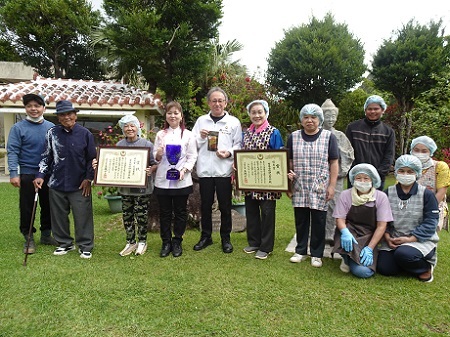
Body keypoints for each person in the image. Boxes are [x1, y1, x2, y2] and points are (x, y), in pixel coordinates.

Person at [34, 100, 97, 259]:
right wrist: (40, 176)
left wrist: (88, 178)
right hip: (56, 183)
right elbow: (46, 157)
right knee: (58, 216)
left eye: (69, 114)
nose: (66, 117)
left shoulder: (85, 134)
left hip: (80, 184)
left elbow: (92, 159)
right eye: (62, 114)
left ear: (75, 115)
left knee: (83, 215)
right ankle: (64, 243)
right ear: (58, 118)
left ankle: (85, 246)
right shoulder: (52, 133)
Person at [287, 103, 339, 267]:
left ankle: (317, 254)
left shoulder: (328, 137)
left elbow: (334, 162)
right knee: (301, 219)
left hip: (319, 185)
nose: (309, 120)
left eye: (313, 117)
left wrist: (332, 186)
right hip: (300, 184)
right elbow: (288, 161)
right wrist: (288, 184)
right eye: (306, 117)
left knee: (319, 220)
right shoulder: (293, 137)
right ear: (301, 120)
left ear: (319, 119)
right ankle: (300, 250)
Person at [192, 87, 242, 253]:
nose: (217, 104)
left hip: (224, 171)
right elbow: (192, 144)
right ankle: (206, 236)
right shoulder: (201, 121)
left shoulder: (233, 122)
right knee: (205, 205)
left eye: (220, 101)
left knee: (225, 206)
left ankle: (225, 238)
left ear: (226, 103)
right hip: (205, 171)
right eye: (214, 100)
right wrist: (201, 137)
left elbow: (238, 145)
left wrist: (228, 153)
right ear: (208, 103)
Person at [7, 93, 57, 254]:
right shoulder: (18, 128)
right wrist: (14, 173)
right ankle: (28, 238)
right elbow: (12, 151)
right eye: (29, 106)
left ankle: (46, 235)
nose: (33, 109)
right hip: (27, 174)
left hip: (48, 174)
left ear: (44, 108)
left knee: (48, 205)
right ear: (25, 108)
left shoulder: (51, 127)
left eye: (37, 106)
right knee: (28, 207)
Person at [377, 155, 439, 283]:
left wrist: (411, 238)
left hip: (419, 240)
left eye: (410, 171)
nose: (405, 174)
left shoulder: (426, 195)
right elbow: (383, 219)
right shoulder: (388, 193)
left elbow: (431, 222)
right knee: (385, 268)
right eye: (402, 171)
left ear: (417, 173)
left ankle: (425, 267)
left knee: (404, 254)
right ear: (396, 172)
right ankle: (406, 263)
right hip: (394, 239)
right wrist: (387, 236)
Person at [332, 164, 393, 278]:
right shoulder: (346, 195)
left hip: (370, 235)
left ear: (373, 180)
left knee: (364, 272)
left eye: (366, 178)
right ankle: (346, 258)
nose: (362, 181)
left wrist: (370, 247)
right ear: (353, 179)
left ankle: (351, 257)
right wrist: (345, 232)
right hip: (350, 232)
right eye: (358, 178)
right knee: (358, 267)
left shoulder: (381, 197)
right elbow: (340, 219)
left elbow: (381, 226)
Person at [154, 101, 198, 258]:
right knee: (164, 213)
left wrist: (184, 170)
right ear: (166, 116)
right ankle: (166, 242)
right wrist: (159, 153)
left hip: (181, 180)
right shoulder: (160, 135)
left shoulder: (189, 135)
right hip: (163, 180)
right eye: (169, 113)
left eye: (176, 113)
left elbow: (192, 156)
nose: (172, 116)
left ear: (181, 116)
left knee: (180, 212)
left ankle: (177, 241)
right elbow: (156, 158)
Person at [241, 100, 284, 260]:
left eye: (260, 112)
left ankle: (266, 247)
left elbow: (279, 155)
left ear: (266, 113)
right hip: (250, 180)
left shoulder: (274, 132)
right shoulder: (246, 133)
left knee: (267, 213)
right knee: (251, 212)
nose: (257, 115)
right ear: (249, 114)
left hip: (268, 180)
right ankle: (254, 242)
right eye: (253, 112)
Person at [115, 115, 157, 256]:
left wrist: (150, 169)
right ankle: (130, 241)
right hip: (125, 188)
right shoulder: (119, 145)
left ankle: (142, 241)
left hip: (142, 188)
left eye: (132, 125)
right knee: (127, 215)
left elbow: (154, 163)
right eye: (126, 126)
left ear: (137, 127)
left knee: (141, 215)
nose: (129, 129)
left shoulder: (146, 144)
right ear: (123, 129)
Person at [321, 99, 354, 245]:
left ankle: (331, 234)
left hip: (337, 177)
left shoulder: (340, 135)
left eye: (333, 117)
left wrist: (342, 169)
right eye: (327, 116)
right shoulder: (317, 134)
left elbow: (349, 154)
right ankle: (317, 233)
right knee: (318, 205)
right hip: (320, 176)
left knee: (335, 205)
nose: (331, 119)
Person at [345, 95, 395, 190]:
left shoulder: (388, 132)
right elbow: (347, 153)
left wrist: (376, 174)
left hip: (377, 179)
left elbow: (389, 156)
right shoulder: (353, 128)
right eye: (369, 109)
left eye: (376, 109)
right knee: (354, 203)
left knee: (374, 204)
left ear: (382, 110)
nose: (372, 112)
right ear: (365, 110)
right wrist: (355, 172)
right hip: (356, 177)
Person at [410, 136, 450, 231]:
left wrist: (426, 211)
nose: (420, 153)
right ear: (412, 151)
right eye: (416, 150)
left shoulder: (440, 167)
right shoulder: (407, 167)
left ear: (430, 152)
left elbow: (441, 192)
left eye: (424, 151)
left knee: (427, 239)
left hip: (433, 208)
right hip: (410, 209)